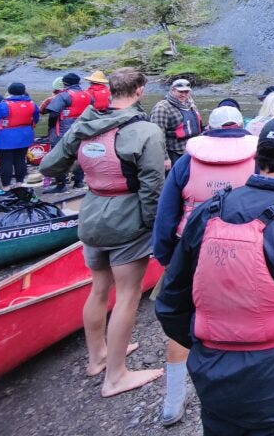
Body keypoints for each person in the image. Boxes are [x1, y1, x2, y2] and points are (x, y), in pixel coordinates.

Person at [156, 114, 274, 436]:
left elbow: (171, 303)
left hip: (212, 372)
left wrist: (207, 345)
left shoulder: (208, 211)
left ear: (258, 157)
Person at [40, 68, 166, 396]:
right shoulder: (146, 131)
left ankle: (97, 357)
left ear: (109, 91)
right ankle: (115, 377)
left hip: (91, 216)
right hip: (127, 222)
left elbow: (48, 167)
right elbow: (152, 186)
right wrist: (155, 228)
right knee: (127, 294)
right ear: (139, 90)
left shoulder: (83, 126)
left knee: (98, 288)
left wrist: (87, 164)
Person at [152, 105, 259, 426]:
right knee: (243, 320)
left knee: (180, 325)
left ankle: (173, 400)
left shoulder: (186, 162)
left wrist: (166, 259)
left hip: (192, 250)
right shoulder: (257, 159)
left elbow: (166, 214)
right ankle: (242, 393)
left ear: (208, 129)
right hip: (245, 251)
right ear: (241, 126)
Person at [43, 71, 94, 191]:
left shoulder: (63, 95)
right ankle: (78, 182)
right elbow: (92, 111)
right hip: (82, 130)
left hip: (63, 131)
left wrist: (51, 130)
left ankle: (61, 184)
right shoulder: (88, 95)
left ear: (64, 83)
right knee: (79, 156)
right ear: (78, 82)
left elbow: (53, 112)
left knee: (59, 157)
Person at [0, 83, 40, 188]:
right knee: (21, 159)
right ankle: (19, 184)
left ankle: (6, 187)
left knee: (5, 161)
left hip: (5, 137)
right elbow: (35, 119)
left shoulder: (2, 105)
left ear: (9, 91)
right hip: (25, 136)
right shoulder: (32, 104)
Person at [150, 79, 202, 170]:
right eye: (180, 91)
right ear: (172, 90)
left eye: (186, 92)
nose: (184, 94)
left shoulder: (190, 103)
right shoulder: (162, 108)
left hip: (193, 151)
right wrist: (165, 158)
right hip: (174, 154)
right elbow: (157, 137)